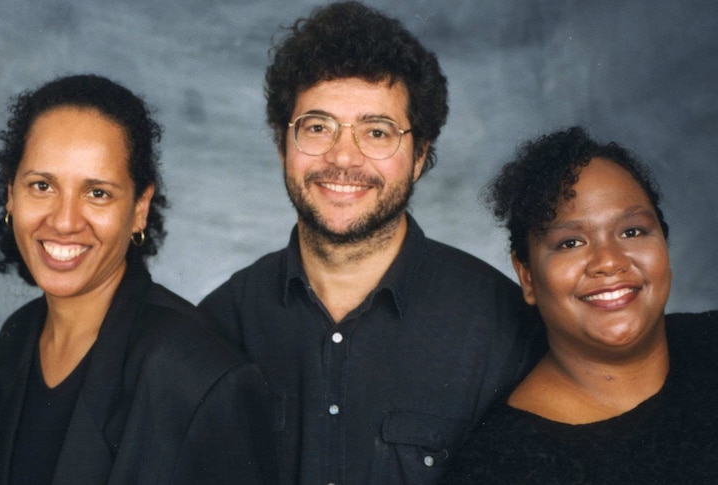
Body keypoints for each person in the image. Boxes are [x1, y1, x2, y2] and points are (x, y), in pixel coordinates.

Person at [197, 2, 543, 484]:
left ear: (420, 156)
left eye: (376, 132)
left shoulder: (506, 332)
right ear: (283, 143)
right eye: (317, 127)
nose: (343, 156)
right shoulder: (218, 326)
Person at [442, 126, 718, 483]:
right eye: (570, 242)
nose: (609, 261)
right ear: (527, 275)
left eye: (632, 231)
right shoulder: (499, 466)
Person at [0, 74, 276, 485]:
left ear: (139, 208)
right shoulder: (17, 339)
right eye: (42, 185)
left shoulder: (199, 378)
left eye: (97, 192)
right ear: (11, 194)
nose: (64, 221)